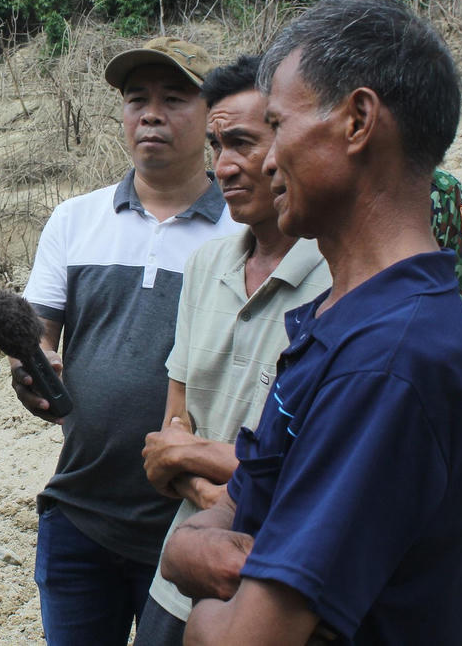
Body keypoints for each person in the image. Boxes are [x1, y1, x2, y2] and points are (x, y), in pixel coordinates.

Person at [161, 0, 462, 645]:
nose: (267, 159)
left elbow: (239, 640)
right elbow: (217, 519)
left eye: (278, 126)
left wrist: (202, 609)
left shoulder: (390, 359)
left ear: (358, 120)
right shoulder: (338, 320)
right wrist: (184, 552)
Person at [12, 37, 241, 645]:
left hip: (194, 518)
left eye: (174, 98)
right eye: (137, 99)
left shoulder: (243, 229)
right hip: (79, 510)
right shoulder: (74, 219)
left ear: (212, 114)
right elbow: (40, 334)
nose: (151, 114)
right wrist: (32, 368)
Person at [135, 55, 330, 646]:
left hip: (274, 590)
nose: (224, 166)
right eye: (217, 145)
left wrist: (191, 458)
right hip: (178, 574)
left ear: (287, 139)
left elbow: (315, 472)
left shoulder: (338, 279)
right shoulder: (207, 265)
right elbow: (172, 425)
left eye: (243, 142)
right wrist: (211, 482)